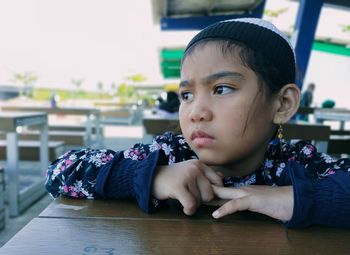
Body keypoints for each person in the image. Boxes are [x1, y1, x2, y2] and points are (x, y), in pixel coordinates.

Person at [45, 18, 350, 229]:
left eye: (222, 89)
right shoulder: (169, 154)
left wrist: (297, 198)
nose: (195, 112)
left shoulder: (298, 166)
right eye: (187, 94)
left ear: (282, 104)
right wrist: (152, 178)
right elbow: (59, 171)